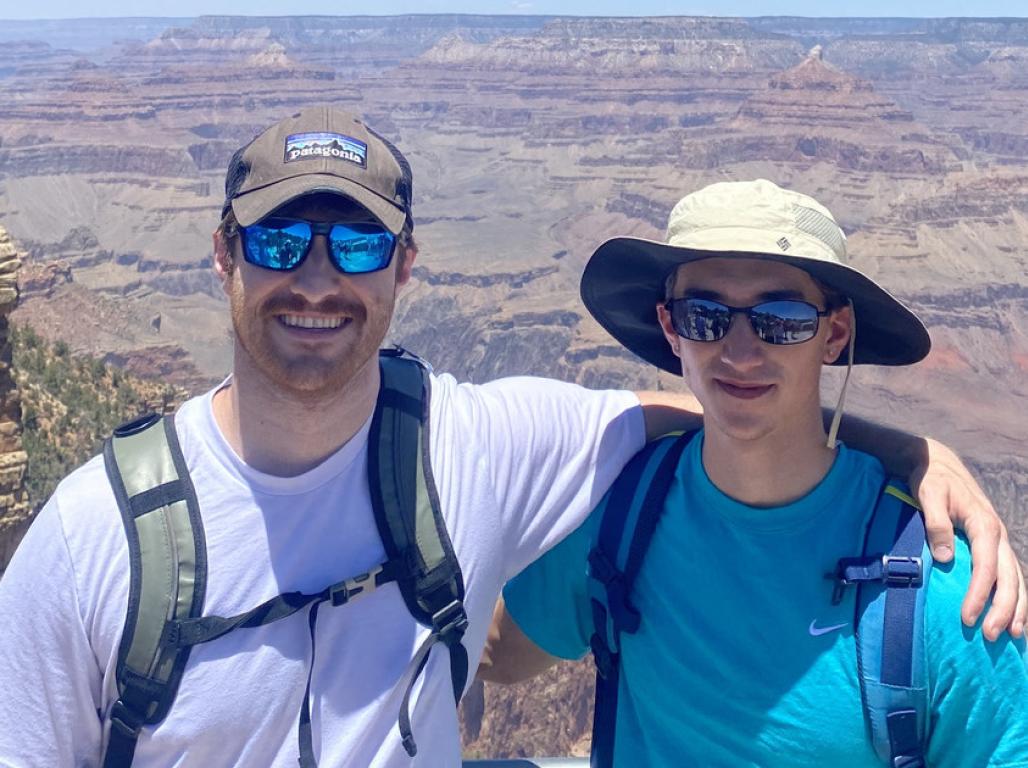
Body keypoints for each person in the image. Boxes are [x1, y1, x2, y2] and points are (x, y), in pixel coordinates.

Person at [0, 110, 1021, 768]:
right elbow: (507, 656)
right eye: (277, 241)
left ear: (402, 268)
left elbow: (728, 420)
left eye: (355, 243)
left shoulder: (934, 590)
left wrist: (910, 456)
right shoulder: (95, 539)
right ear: (223, 256)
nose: (317, 279)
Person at [481, 180, 1028, 766]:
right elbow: (495, 655)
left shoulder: (944, 589)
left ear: (834, 334)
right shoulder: (617, 517)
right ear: (670, 328)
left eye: (783, 319)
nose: (740, 353)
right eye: (705, 316)